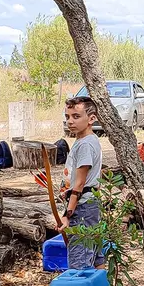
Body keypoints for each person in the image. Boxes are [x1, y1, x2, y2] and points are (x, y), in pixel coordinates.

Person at [58, 96, 104, 269]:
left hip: (83, 208)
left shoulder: (85, 144)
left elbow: (79, 184)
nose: (70, 121)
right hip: (88, 205)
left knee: (80, 263)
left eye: (76, 116)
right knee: (97, 258)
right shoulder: (84, 140)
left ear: (91, 118)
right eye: (67, 117)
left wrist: (67, 214)